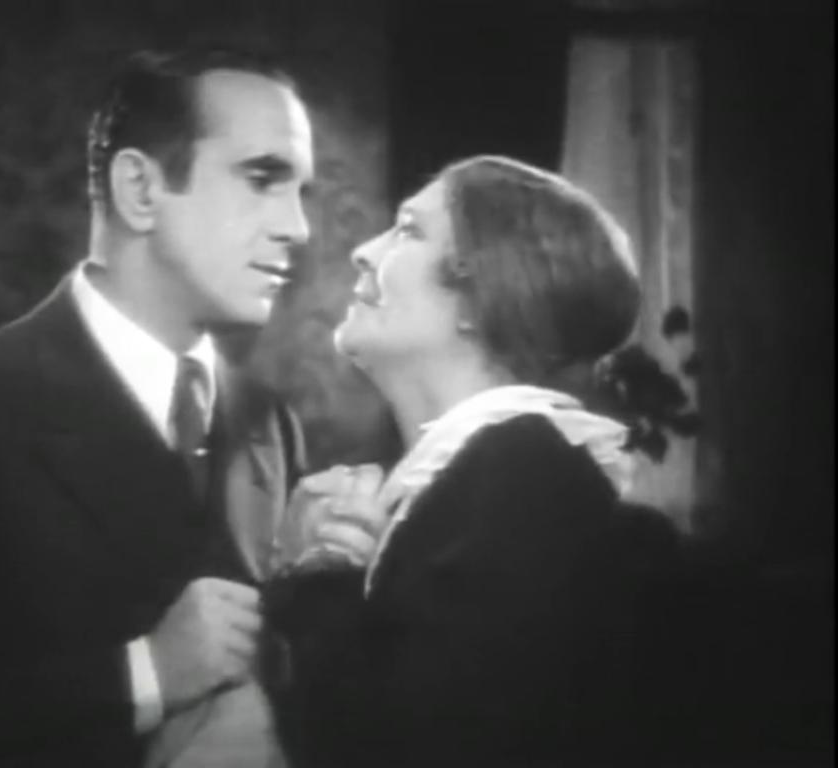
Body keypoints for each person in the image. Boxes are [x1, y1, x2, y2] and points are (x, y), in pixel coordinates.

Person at [0, 46, 332, 768]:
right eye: (262, 179)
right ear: (140, 189)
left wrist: (323, 590)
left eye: (301, 191)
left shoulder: (269, 424)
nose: (298, 227)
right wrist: (145, 673)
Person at [260, 155, 689, 767]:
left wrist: (318, 575)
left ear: (482, 300)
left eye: (409, 230)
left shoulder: (523, 482)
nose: (363, 251)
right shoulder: (481, 475)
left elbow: (397, 747)